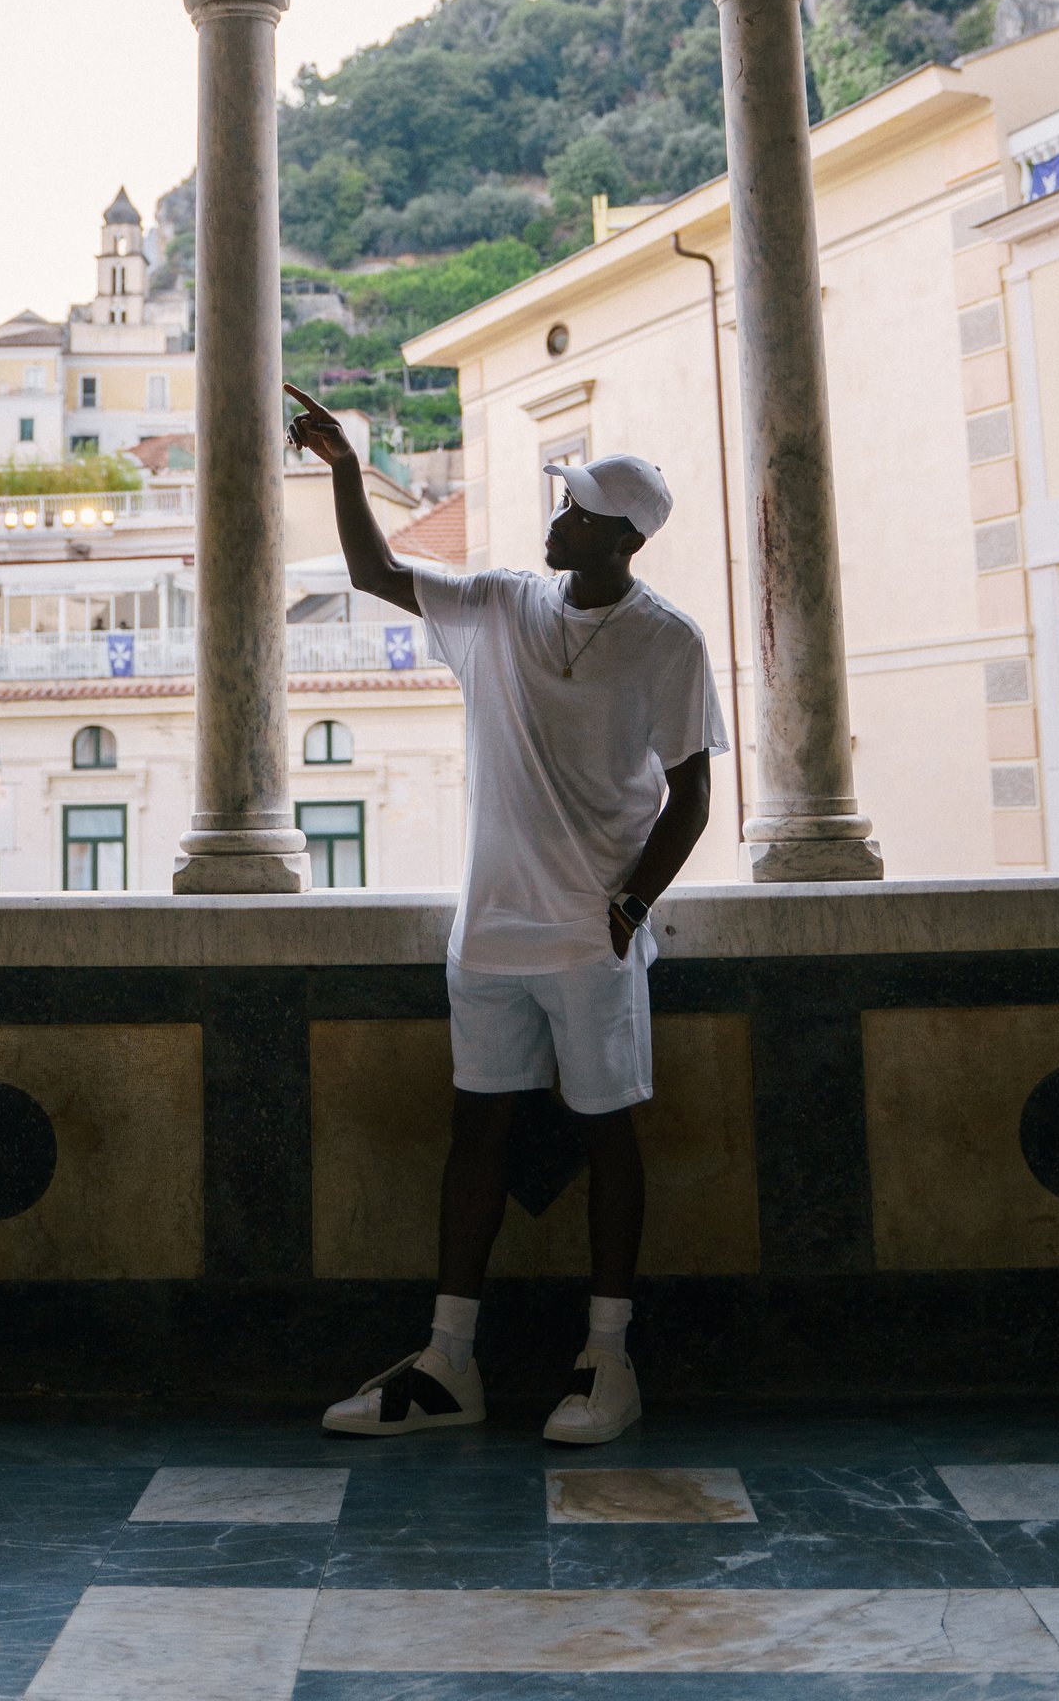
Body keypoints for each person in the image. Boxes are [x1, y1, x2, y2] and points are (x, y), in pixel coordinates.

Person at [284, 382, 725, 1446]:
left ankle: (607, 1361)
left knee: (607, 1135)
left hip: (587, 934)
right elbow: (374, 572)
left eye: (577, 508)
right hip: (489, 931)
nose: (558, 516)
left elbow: (693, 793)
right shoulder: (499, 604)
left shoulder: (667, 643)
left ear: (623, 538)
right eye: (562, 502)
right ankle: (447, 1363)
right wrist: (346, 471)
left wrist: (626, 908)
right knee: (476, 1131)